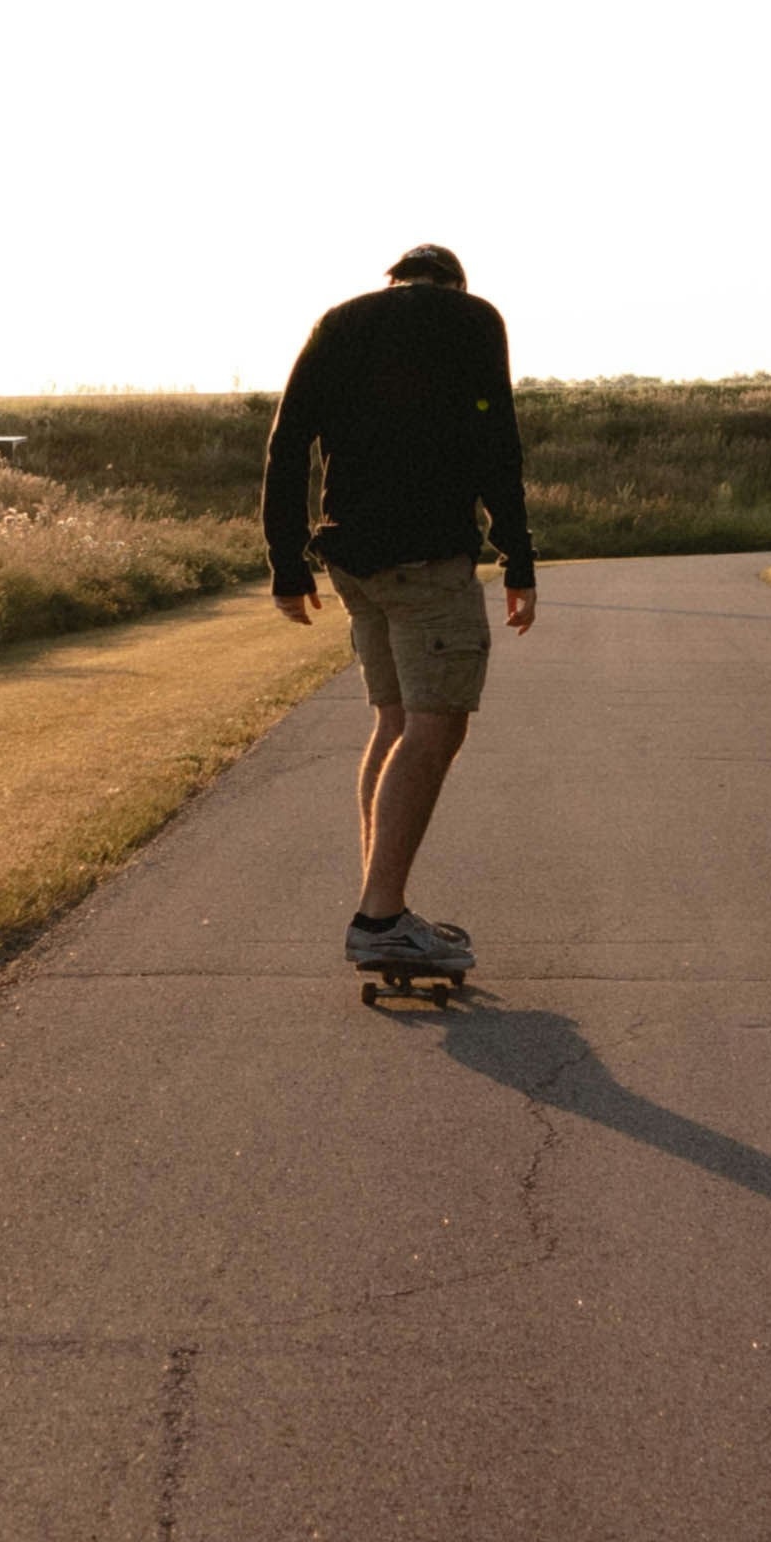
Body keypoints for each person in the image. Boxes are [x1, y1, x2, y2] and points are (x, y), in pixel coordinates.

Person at [262, 243, 537, 985]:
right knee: (436, 725)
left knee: (392, 720)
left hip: (351, 560)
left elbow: (288, 442)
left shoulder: (340, 321)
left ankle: (381, 904)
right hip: (427, 558)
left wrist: (285, 563)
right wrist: (518, 557)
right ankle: (381, 919)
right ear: (453, 284)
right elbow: (496, 441)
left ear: (394, 280)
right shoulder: (472, 319)